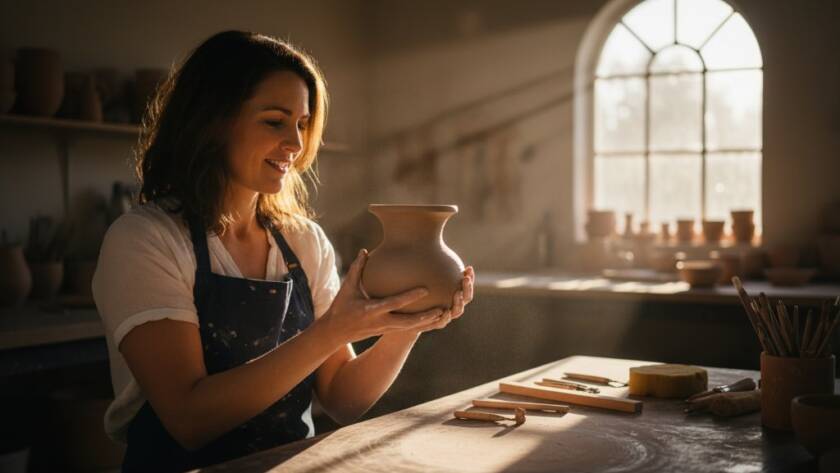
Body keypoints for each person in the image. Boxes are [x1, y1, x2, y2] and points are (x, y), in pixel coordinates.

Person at [92, 30, 474, 472]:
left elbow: (343, 400)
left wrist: (407, 326)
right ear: (213, 121)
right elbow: (189, 419)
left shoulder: (303, 241)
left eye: (302, 124)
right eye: (275, 121)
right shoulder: (145, 239)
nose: (295, 143)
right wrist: (332, 331)